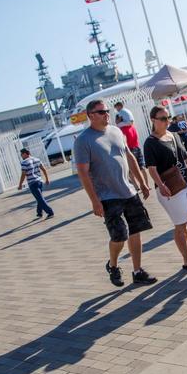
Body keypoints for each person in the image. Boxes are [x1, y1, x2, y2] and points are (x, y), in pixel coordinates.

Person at [74, 100, 156, 287]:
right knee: (119, 235)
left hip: (128, 190)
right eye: (101, 112)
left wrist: (142, 182)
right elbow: (83, 173)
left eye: (107, 111)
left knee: (136, 231)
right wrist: (94, 201)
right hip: (107, 196)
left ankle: (137, 271)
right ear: (91, 115)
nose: (106, 114)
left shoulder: (116, 131)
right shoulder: (83, 140)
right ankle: (113, 265)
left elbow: (129, 156)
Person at [144, 105, 187, 271]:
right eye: (162, 118)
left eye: (168, 117)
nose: (166, 121)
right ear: (153, 120)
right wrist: (160, 185)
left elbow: (186, 160)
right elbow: (152, 168)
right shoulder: (150, 143)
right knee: (181, 225)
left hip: (186, 182)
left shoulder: (174, 135)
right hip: (170, 187)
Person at [114, 101, 149, 186]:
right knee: (141, 167)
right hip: (136, 147)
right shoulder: (132, 128)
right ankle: (146, 184)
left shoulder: (122, 130)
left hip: (129, 150)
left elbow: (122, 142)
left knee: (130, 170)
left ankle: (136, 187)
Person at [18, 148, 54, 220]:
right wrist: (47, 179)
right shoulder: (37, 159)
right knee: (39, 198)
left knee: (40, 199)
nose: (21, 156)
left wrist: (20, 184)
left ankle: (50, 212)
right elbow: (43, 169)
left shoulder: (24, 162)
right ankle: (39, 213)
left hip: (32, 183)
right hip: (39, 182)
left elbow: (23, 174)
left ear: (25, 153)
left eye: (21, 154)